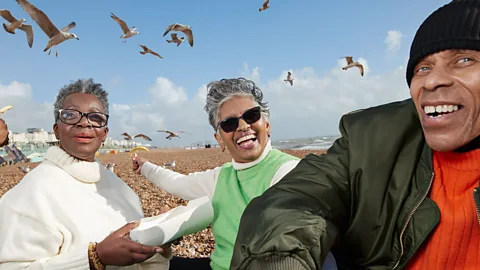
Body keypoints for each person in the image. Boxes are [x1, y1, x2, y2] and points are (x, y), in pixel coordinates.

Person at [230, 0, 480, 269]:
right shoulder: (370, 137)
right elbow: (293, 202)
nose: (431, 81)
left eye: (464, 60)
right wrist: (278, 261)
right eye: (422, 68)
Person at [133, 78, 338, 270]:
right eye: (229, 124)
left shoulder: (289, 172)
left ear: (266, 125)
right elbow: (177, 183)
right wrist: (144, 166)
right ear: (219, 139)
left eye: (251, 116)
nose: (242, 126)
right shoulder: (220, 177)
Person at [0, 78, 172, 270]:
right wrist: (94, 258)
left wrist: (159, 244)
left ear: (104, 132)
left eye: (96, 118)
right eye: (71, 115)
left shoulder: (123, 190)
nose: (84, 123)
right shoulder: (29, 195)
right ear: (56, 130)